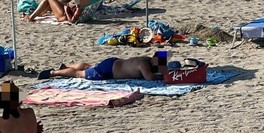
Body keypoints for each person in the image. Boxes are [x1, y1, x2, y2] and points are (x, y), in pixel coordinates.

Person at [37, 53, 171, 81]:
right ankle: (54, 72)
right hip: (108, 71)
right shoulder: (144, 64)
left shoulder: (145, 59)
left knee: (87, 67)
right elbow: (150, 77)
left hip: (112, 63)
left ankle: (66, 66)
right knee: (79, 74)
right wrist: (165, 76)